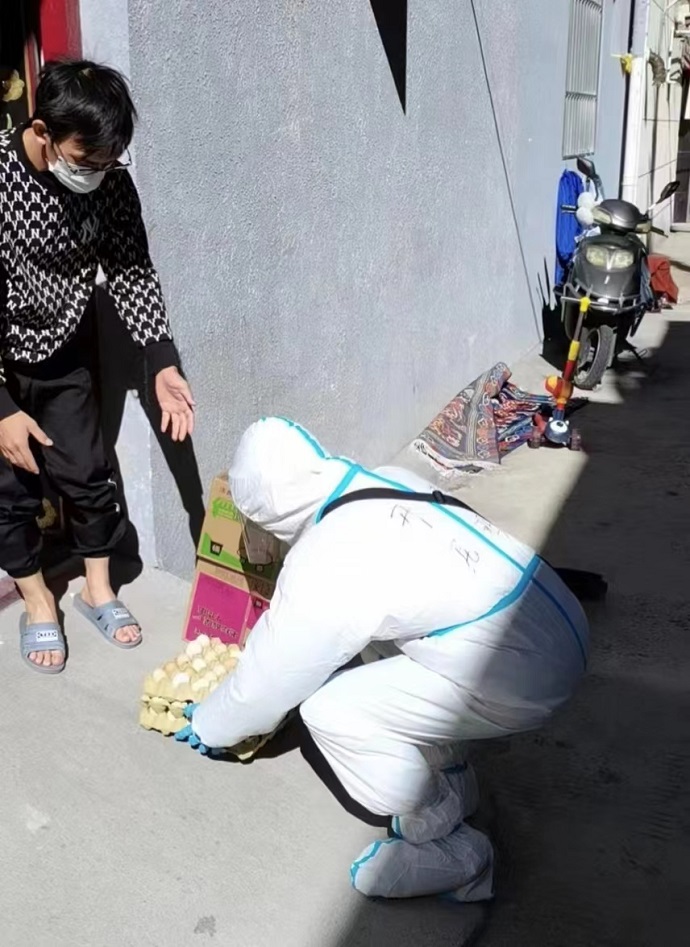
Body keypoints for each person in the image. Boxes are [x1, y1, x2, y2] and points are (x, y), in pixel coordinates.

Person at [176, 417, 590, 901]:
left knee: (331, 712)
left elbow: (269, 681)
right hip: (553, 613)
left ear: (268, 509)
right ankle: (453, 781)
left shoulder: (331, 554)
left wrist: (212, 722)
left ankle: (450, 844)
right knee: (375, 648)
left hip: (522, 664)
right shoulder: (385, 481)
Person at [0, 60, 195, 673]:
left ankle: (97, 590)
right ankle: (37, 601)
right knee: (10, 494)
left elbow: (132, 269)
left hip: (65, 354)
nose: (98, 172)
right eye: (86, 159)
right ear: (42, 131)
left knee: (89, 476)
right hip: (3, 365)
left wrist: (159, 359)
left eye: (111, 161)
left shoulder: (108, 181)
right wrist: (2, 411)